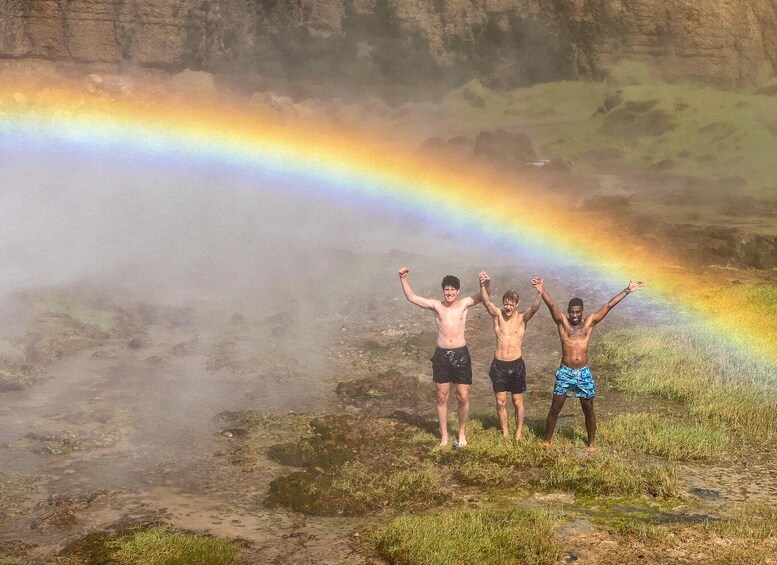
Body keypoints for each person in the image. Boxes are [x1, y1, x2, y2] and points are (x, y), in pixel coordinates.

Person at [531, 276, 645, 452]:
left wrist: (627, 290)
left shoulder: (589, 324)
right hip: (566, 372)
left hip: (583, 373)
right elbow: (552, 306)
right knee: (555, 408)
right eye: (572, 312)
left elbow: (607, 306)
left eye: (578, 312)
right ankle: (547, 440)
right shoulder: (563, 323)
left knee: (588, 409)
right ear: (568, 311)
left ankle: (591, 443)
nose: (575, 315)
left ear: (582, 311)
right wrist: (542, 290)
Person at [398, 267, 482, 448]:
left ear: (457, 291)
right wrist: (403, 278)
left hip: (461, 354)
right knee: (442, 397)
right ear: (443, 291)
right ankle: (444, 437)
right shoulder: (437, 305)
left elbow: (483, 296)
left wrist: (485, 282)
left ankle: (461, 434)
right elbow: (412, 298)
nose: (449, 292)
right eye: (446, 289)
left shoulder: (464, 304)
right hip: (442, 355)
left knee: (463, 396)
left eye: (452, 289)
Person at [479, 271, 541, 440]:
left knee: (517, 401)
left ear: (516, 304)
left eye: (511, 304)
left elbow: (535, 308)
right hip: (499, 365)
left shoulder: (522, 318)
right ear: (503, 303)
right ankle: (505, 433)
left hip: (516, 365)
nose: (508, 307)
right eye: (506, 303)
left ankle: (518, 434)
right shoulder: (497, 316)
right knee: (500, 402)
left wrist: (540, 291)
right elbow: (486, 302)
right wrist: (483, 284)